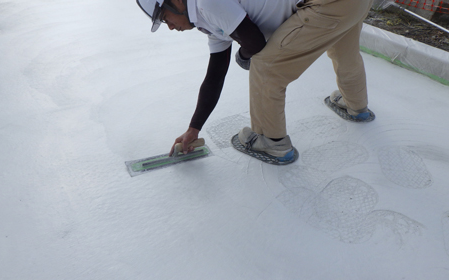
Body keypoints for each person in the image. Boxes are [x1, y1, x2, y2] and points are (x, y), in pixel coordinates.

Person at [137, 0, 375, 164]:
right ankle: (355, 105)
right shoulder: (204, 17)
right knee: (344, 50)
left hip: (327, 5)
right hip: (351, 4)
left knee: (266, 66)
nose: (169, 26)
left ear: (177, 1)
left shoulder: (205, 4)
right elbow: (215, 75)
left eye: (164, 17)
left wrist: (243, 56)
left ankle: (270, 141)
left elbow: (254, 43)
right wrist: (194, 128)